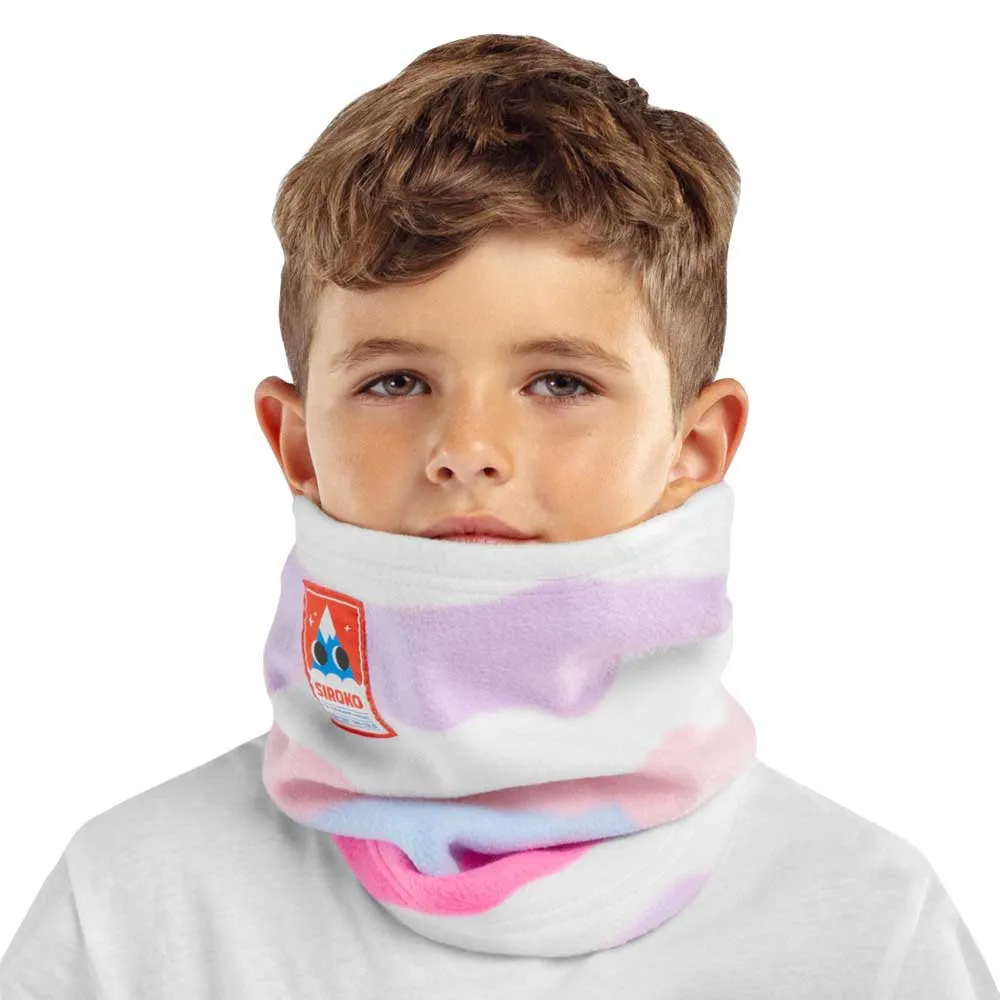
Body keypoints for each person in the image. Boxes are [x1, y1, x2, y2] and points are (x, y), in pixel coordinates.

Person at [2, 31, 996, 999]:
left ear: (694, 447)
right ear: (297, 443)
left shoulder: (868, 926)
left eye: (560, 381)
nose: (468, 447)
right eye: (395, 381)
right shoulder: (136, 906)